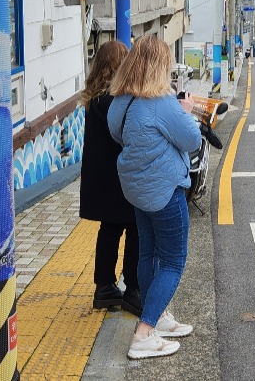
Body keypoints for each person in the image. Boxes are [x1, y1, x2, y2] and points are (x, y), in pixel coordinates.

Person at [108, 36, 201, 360]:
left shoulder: (121, 100)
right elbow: (191, 139)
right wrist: (185, 110)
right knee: (173, 261)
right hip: (164, 191)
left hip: (136, 189)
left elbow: (116, 134)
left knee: (147, 254)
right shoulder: (161, 102)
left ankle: (157, 318)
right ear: (159, 67)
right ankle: (144, 334)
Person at [79, 40, 142, 317]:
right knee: (136, 228)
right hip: (118, 180)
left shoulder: (95, 97)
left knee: (110, 230)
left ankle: (104, 286)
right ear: (118, 64)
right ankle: (132, 289)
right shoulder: (115, 101)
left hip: (101, 180)